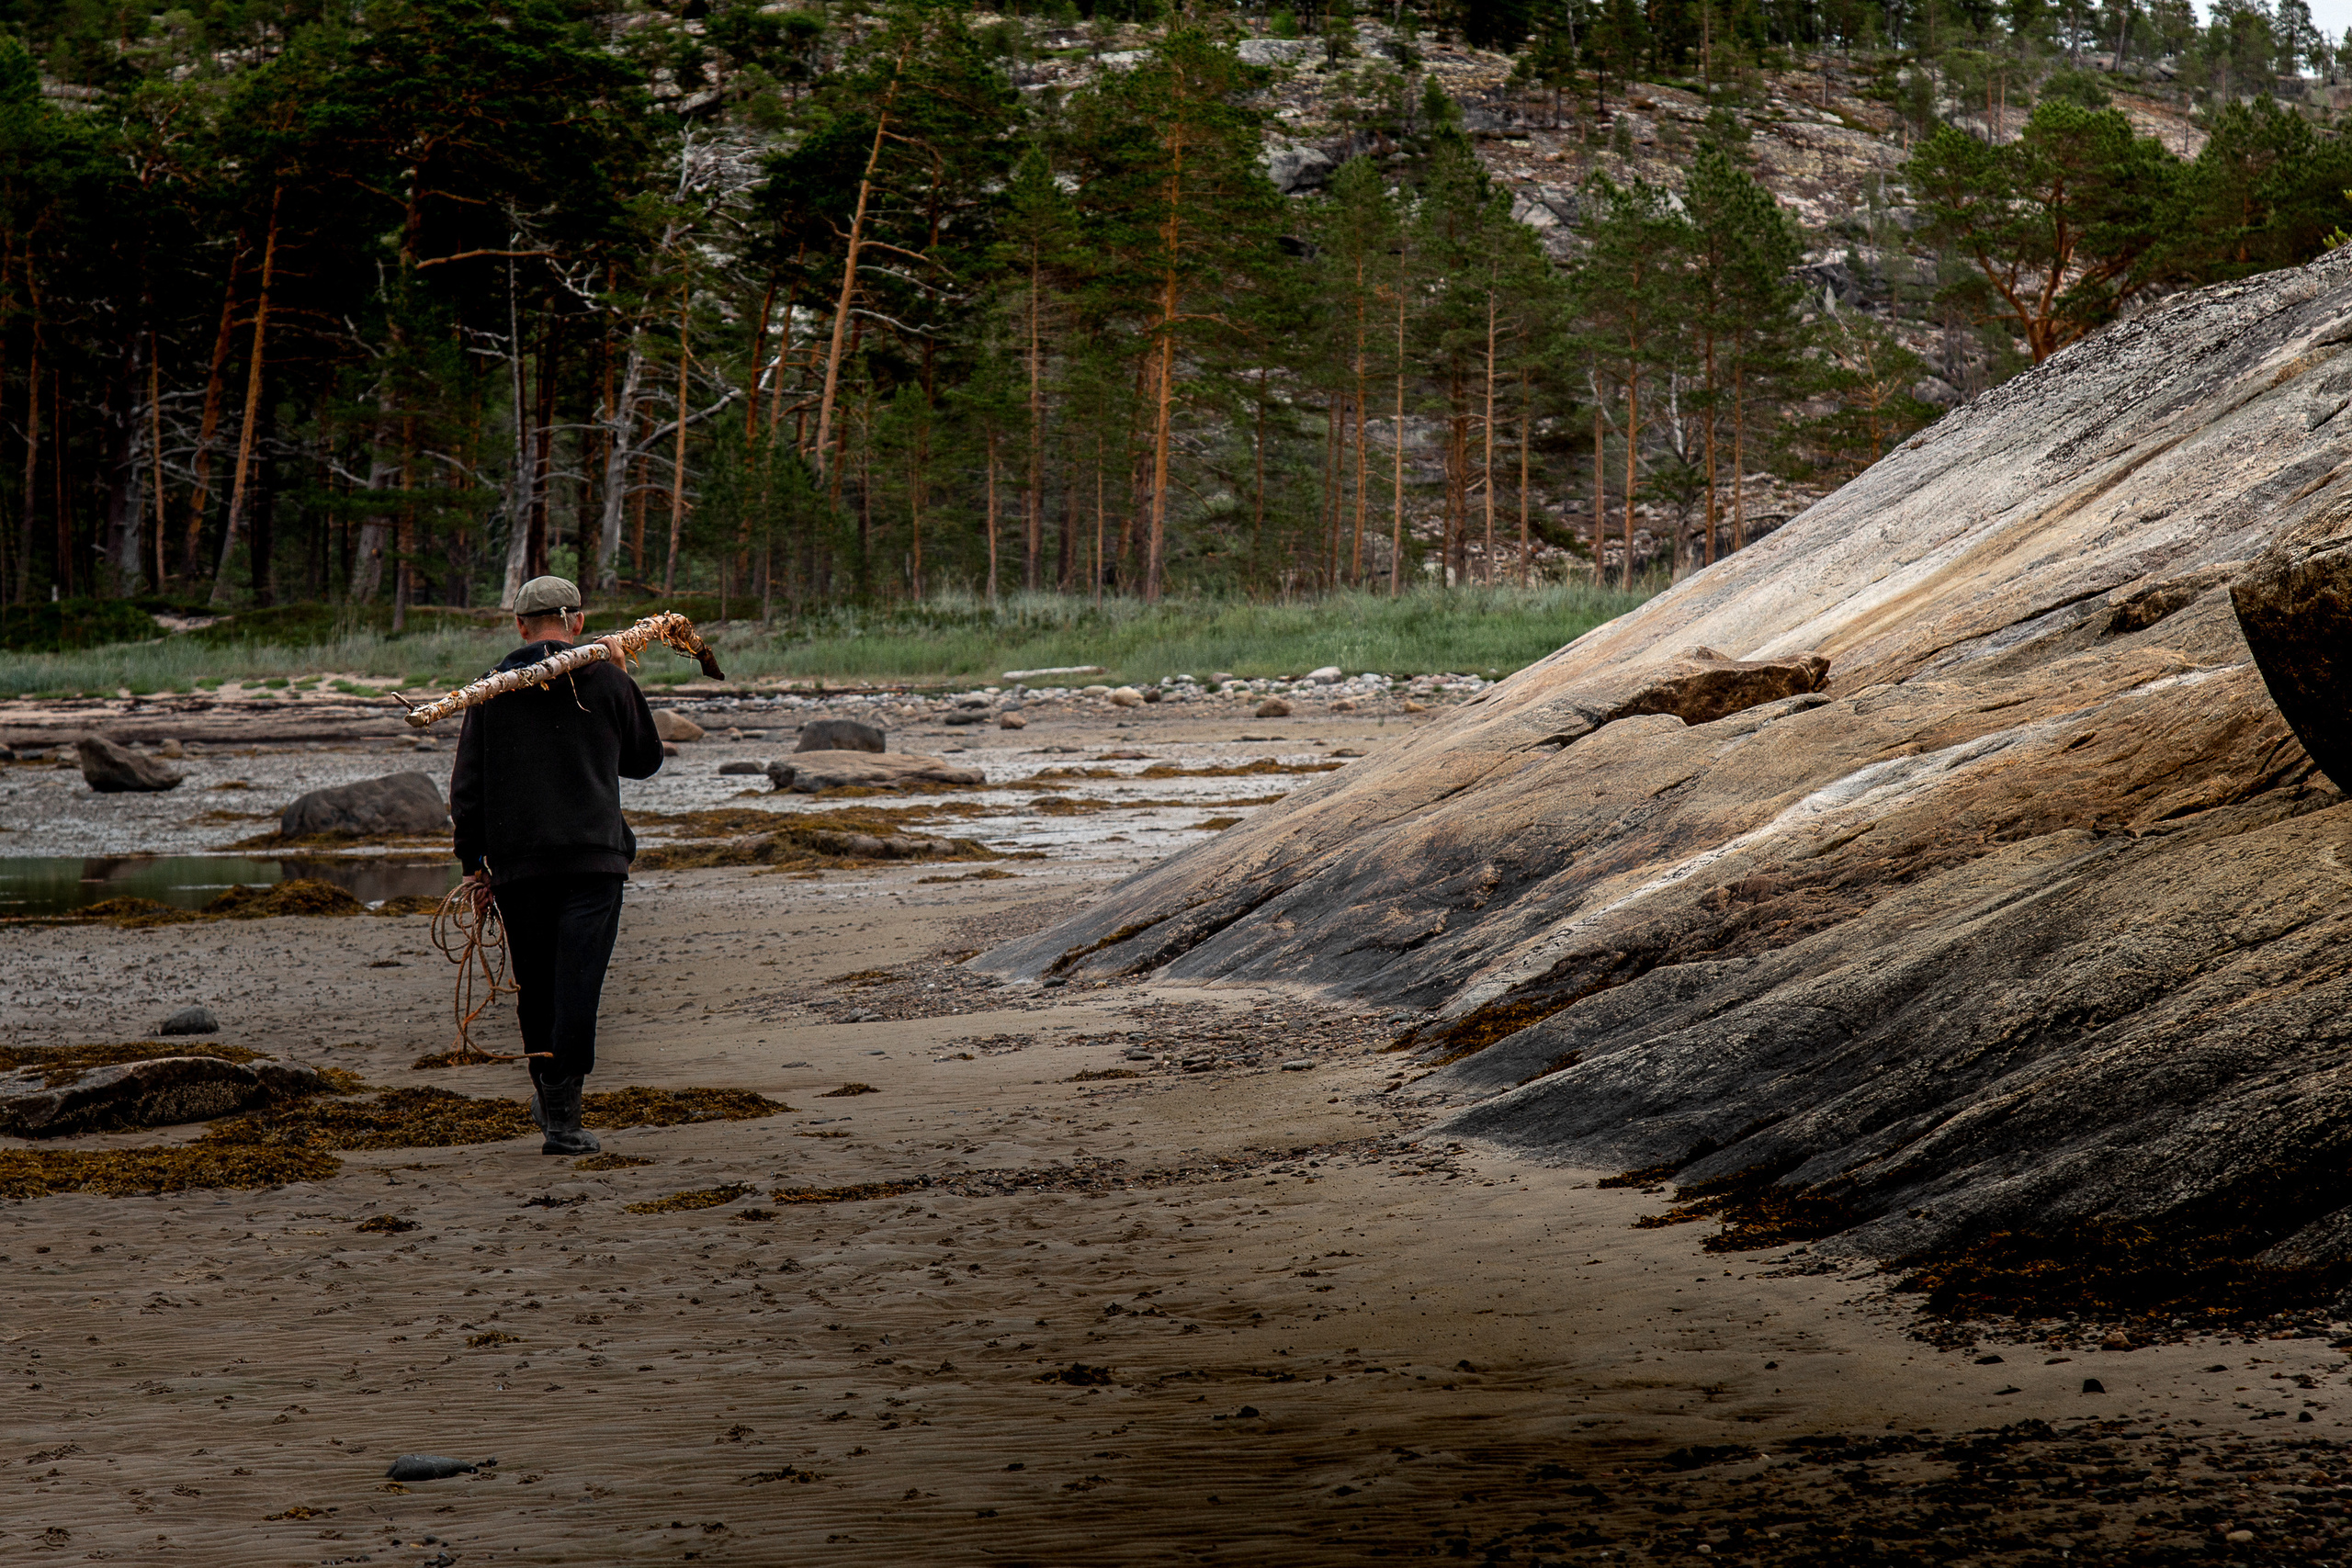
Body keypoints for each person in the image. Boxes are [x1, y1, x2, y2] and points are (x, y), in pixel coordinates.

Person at [449, 576, 664, 1155]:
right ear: (577, 622)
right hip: (595, 862)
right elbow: (646, 761)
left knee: (538, 988)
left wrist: (473, 863)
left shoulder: (490, 691)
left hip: (520, 868)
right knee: (578, 986)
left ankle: (553, 1103)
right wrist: (621, 675)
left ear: (519, 625)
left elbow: (467, 787)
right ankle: (562, 1113)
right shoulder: (605, 677)